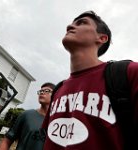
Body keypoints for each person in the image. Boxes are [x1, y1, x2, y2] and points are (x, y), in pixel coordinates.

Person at [42, 11, 138, 150]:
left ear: (102, 38)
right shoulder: (57, 90)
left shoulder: (129, 73)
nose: (69, 26)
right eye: (72, 23)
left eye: (82, 22)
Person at [0, 82, 55, 150]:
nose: (42, 92)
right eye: (41, 91)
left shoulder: (58, 122)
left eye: (47, 91)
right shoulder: (26, 115)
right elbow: (7, 140)